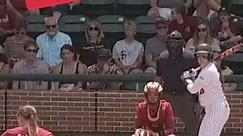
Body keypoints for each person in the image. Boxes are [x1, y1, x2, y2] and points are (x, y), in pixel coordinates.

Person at [155, 30, 200, 136]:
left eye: (176, 43)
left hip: (184, 96)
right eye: (171, 43)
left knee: (196, 128)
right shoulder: (163, 58)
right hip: (167, 95)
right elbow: (158, 78)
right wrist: (156, 97)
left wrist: (199, 102)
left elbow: (197, 80)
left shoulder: (189, 57)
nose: (173, 46)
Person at [181, 43, 230, 136]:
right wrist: (193, 73)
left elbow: (193, 89)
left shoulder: (209, 71)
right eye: (198, 56)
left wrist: (186, 79)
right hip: (210, 109)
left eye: (204, 56)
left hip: (217, 109)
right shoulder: (206, 69)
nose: (201, 59)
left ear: (209, 56)